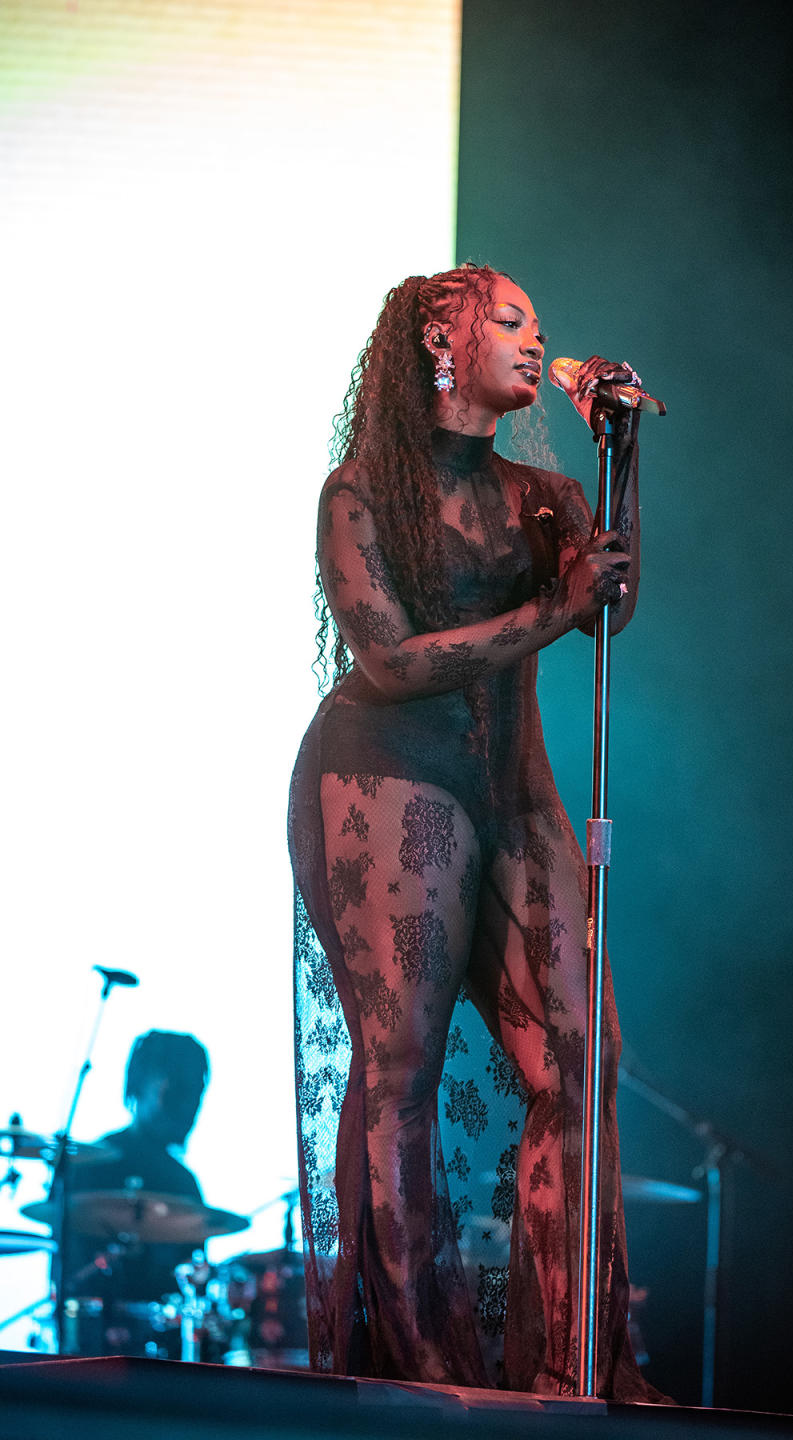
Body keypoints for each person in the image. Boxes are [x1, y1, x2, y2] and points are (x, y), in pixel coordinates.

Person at [288, 263, 665, 1400]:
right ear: (439, 344)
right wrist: (549, 609)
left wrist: (624, 464)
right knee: (400, 1063)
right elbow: (392, 660)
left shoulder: (542, 494)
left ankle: (577, 1362)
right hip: (384, 772)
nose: (530, 337)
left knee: (581, 1058)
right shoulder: (357, 495)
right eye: (507, 320)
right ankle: (416, 1362)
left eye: (537, 327)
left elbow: (612, 609)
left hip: (510, 780)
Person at [68, 1030, 209, 1306]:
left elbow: (195, 1283)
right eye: (178, 1090)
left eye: (195, 1092)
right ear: (140, 1087)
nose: (188, 1105)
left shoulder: (184, 1184)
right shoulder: (88, 1166)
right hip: (91, 1340)